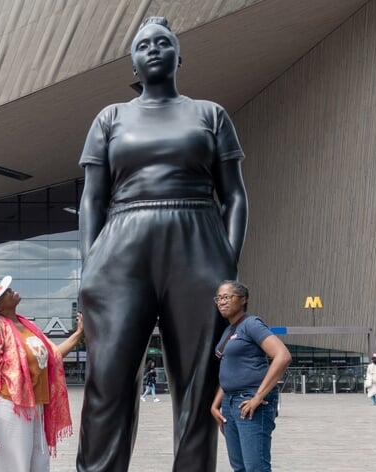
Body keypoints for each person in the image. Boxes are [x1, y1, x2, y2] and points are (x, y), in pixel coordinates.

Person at [77, 16, 247, 472]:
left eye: (162, 43)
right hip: (121, 246)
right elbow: (92, 199)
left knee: (196, 386)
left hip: (198, 244)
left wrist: (227, 264)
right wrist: (89, 265)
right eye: (143, 45)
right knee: (107, 381)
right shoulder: (110, 118)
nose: (152, 49)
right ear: (132, 60)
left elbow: (233, 196)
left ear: (178, 56)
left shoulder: (210, 114)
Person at [0, 276, 83, 472]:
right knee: (11, 465)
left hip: (35, 405)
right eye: (5, 292)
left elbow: (52, 356)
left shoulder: (28, 327)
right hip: (9, 405)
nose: (11, 290)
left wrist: (78, 334)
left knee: (39, 464)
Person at [208, 281, 291, 472]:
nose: (222, 302)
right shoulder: (229, 331)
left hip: (250, 403)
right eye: (219, 298)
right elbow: (231, 370)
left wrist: (258, 397)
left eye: (227, 297)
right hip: (229, 404)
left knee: (256, 467)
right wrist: (215, 404)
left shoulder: (251, 324)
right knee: (239, 467)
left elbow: (282, 356)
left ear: (243, 299)